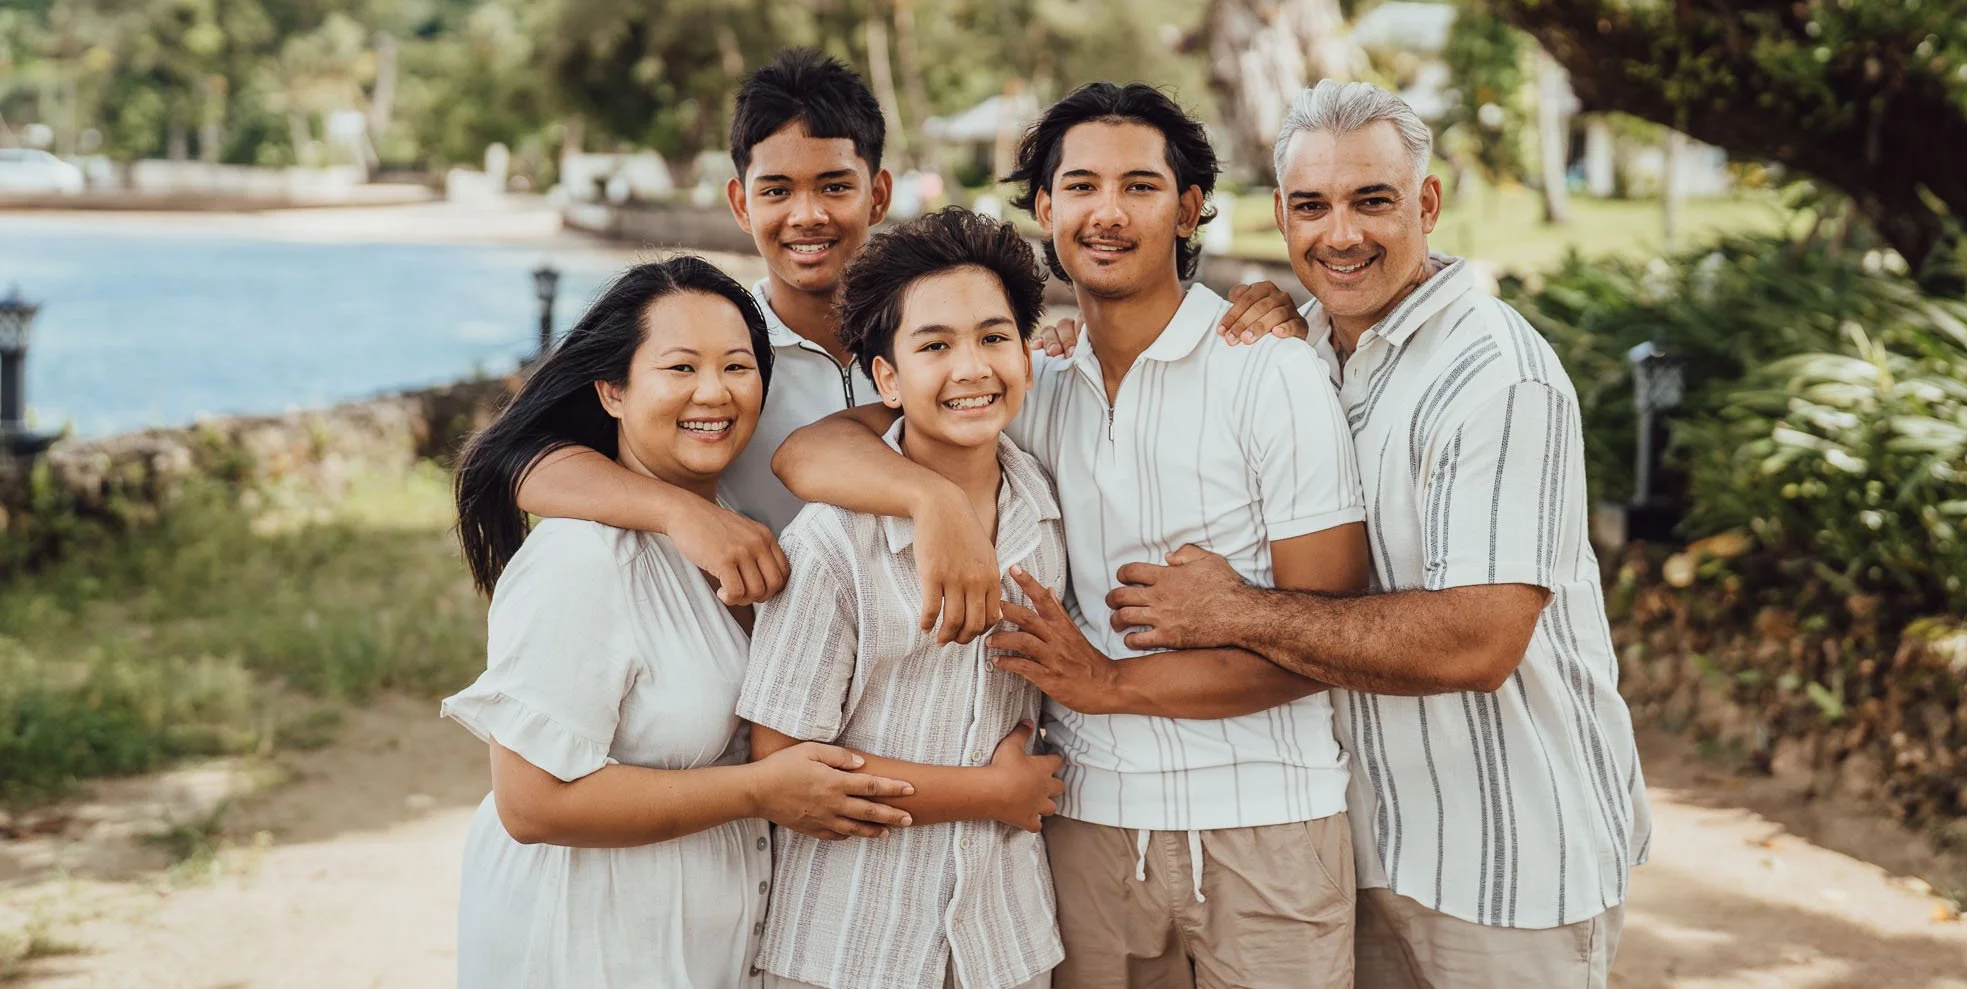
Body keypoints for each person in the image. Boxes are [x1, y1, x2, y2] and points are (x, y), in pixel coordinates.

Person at [775, 83, 1371, 989]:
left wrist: (1109, 682)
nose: (1108, 212)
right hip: (1085, 828)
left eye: (1140, 186)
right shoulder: (1035, 379)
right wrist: (932, 504)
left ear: (1189, 208)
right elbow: (808, 450)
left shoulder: (1270, 371)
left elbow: (1333, 632)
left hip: (1267, 820)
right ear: (1046, 210)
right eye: (1081, 186)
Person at [1106, 80, 1652, 989]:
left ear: (1426, 203)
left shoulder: (1498, 376)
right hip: (1355, 852)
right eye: (1312, 206)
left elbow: (1478, 639)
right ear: (1281, 215)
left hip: (1507, 862)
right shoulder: (1297, 350)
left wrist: (1236, 610)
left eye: (1372, 201)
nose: (1341, 234)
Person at [514, 48, 1307, 646]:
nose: (807, 215)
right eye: (777, 191)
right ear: (740, 203)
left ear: (879, 193)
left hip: (928, 687)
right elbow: (525, 458)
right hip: (748, 676)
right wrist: (681, 513)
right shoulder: (718, 348)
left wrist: (1272, 310)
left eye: (835, 185)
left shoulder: (949, 349)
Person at [441, 256, 918, 988]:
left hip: (696, 942)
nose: (714, 391)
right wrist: (757, 790)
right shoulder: (581, 558)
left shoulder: (741, 533)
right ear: (612, 390)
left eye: (737, 366)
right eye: (680, 367)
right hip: (584, 941)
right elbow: (531, 803)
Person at [741, 207, 1068, 989]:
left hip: (1006, 943)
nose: (971, 368)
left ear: (1027, 356)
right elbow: (781, 768)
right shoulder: (831, 543)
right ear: (886, 378)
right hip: (850, 948)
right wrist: (992, 792)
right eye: (935, 346)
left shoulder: (1044, 510)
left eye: (993, 338)